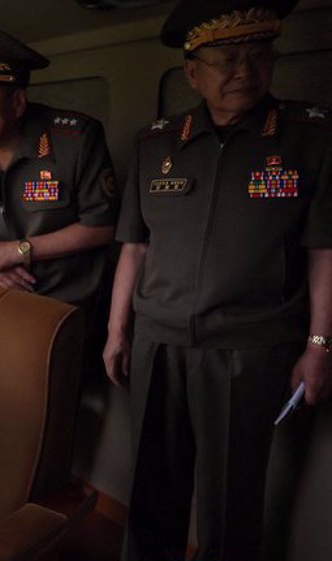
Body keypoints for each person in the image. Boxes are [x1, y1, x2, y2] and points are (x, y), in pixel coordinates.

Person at [102, 1, 331, 559]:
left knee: (232, 498)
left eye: (257, 57)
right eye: (226, 59)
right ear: (192, 72)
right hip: (158, 342)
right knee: (152, 487)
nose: (243, 72)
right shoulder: (156, 142)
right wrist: (117, 330)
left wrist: (320, 345)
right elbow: (134, 247)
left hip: (249, 348)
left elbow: (324, 251)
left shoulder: (310, 137)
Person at [0, 22, 118, 307]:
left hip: (61, 302)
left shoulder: (74, 139)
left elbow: (101, 225)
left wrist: (18, 251)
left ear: (18, 102)